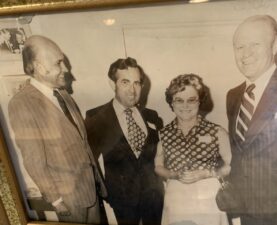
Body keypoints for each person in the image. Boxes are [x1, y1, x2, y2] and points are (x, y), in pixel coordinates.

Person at [8, 35, 107, 224]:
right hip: (68, 200)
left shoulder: (63, 94)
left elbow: (81, 142)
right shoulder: (22, 103)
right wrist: (56, 199)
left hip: (91, 190)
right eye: (59, 63)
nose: (67, 69)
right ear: (38, 67)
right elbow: (34, 160)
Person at [226, 15, 277, 225]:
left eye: (254, 44)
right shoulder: (233, 96)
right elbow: (240, 154)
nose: (245, 54)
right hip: (243, 212)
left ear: (275, 45)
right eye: (239, 47)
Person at [85, 57, 164, 225]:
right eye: (125, 82)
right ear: (112, 84)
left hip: (154, 199)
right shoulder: (95, 118)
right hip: (122, 203)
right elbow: (89, 164)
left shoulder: (152, 116)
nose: (132, 90)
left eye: (137, 83)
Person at [155, 74, 231, 225]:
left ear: (199, 101)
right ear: (171, 102)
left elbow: (231, 166)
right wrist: (173, 174)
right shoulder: (164, 134)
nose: (185, 105)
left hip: (208, 198)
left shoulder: (217, 131)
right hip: (177, 199)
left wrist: (207, 173)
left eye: (191, 100)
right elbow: (158, 166)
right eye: (179, 100)